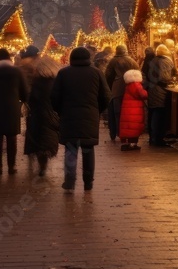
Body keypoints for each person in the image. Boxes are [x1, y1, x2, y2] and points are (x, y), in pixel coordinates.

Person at [50, 46, 109, 191]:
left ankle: (70, 182)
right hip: (90, 116)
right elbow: (106, 96)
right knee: (88, 149)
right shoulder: (96, 73)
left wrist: (60, 110)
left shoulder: (63, 73)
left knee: (71, 150)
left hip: (69, 117)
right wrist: (97, 110)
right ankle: (88, 182)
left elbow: (54, 97)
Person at [0, 48, 28, 175]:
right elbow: (24, 91)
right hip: (12, 107)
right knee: (11, 137)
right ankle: (12, 166)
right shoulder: (16, 71)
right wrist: (23, 99)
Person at [24, 56, 61, 176]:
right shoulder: (56, 81)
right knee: (48, 140)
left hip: (37, 115)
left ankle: (41, 163)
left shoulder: (37, 82)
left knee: (38, 140)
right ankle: (44, 163)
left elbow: (31, 99)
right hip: (52, 115)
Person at [104, 45, 139, 143]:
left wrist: (111, 87)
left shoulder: (113, 61)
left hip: (116, 90)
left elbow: (108, 75)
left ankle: (117, 132)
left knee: (116, 112)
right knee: (127, 113)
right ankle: (126, 133)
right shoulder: (132, 61)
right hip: (130, 89)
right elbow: (138, 73)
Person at [144, 44, 175, 147]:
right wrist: (172, 80)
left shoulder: (153, 60)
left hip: (152, 89)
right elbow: (164, 77)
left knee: (152, 113)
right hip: (160, 91)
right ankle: (157, 139)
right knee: (159, 114)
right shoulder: (165, 61)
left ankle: (152, 137)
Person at [118, 69, 149, 150]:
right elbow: (143, 94)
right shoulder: (137, 85)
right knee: (134, 126)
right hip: (135, 110)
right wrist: (147, 92)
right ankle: (133, 143)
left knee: (127, 126)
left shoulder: (128, 85)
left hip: (127, 110)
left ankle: (126, 144)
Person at [141, 46, 156, 142]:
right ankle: (152, 133)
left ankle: (149, 131)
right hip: (154, 89)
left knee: (150, 110)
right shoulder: (154, 61)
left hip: (148, 89)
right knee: (154, 111)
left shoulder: (145, 62)